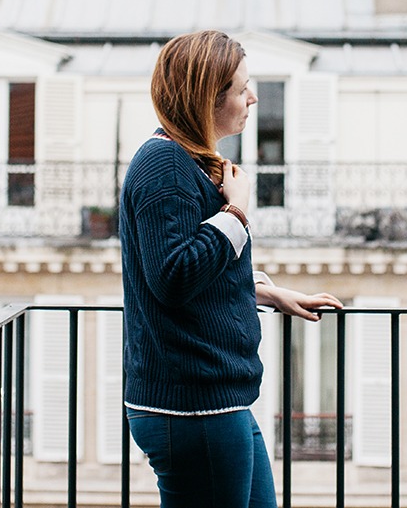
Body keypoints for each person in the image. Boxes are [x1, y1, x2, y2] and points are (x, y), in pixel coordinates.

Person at [119, 30, 342, 508]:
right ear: (207, 99)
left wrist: (265, 291)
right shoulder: (164, 166)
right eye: (242, 89)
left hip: (214, 402)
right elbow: (174, 277)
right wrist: (236, 214)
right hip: (192, 409)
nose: (253, 97)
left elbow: (199, 275)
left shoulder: (188, 163)